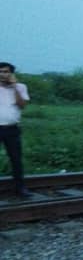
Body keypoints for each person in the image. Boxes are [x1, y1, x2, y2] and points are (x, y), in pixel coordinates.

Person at [0, 62, 31, 198]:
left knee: (16, 159)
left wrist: (14, 88)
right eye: (0, 71)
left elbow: (22, 105)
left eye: (6, 71)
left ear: (11, 73)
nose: (2, 74)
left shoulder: (21, 87)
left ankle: (20, 188)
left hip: (11, 129)